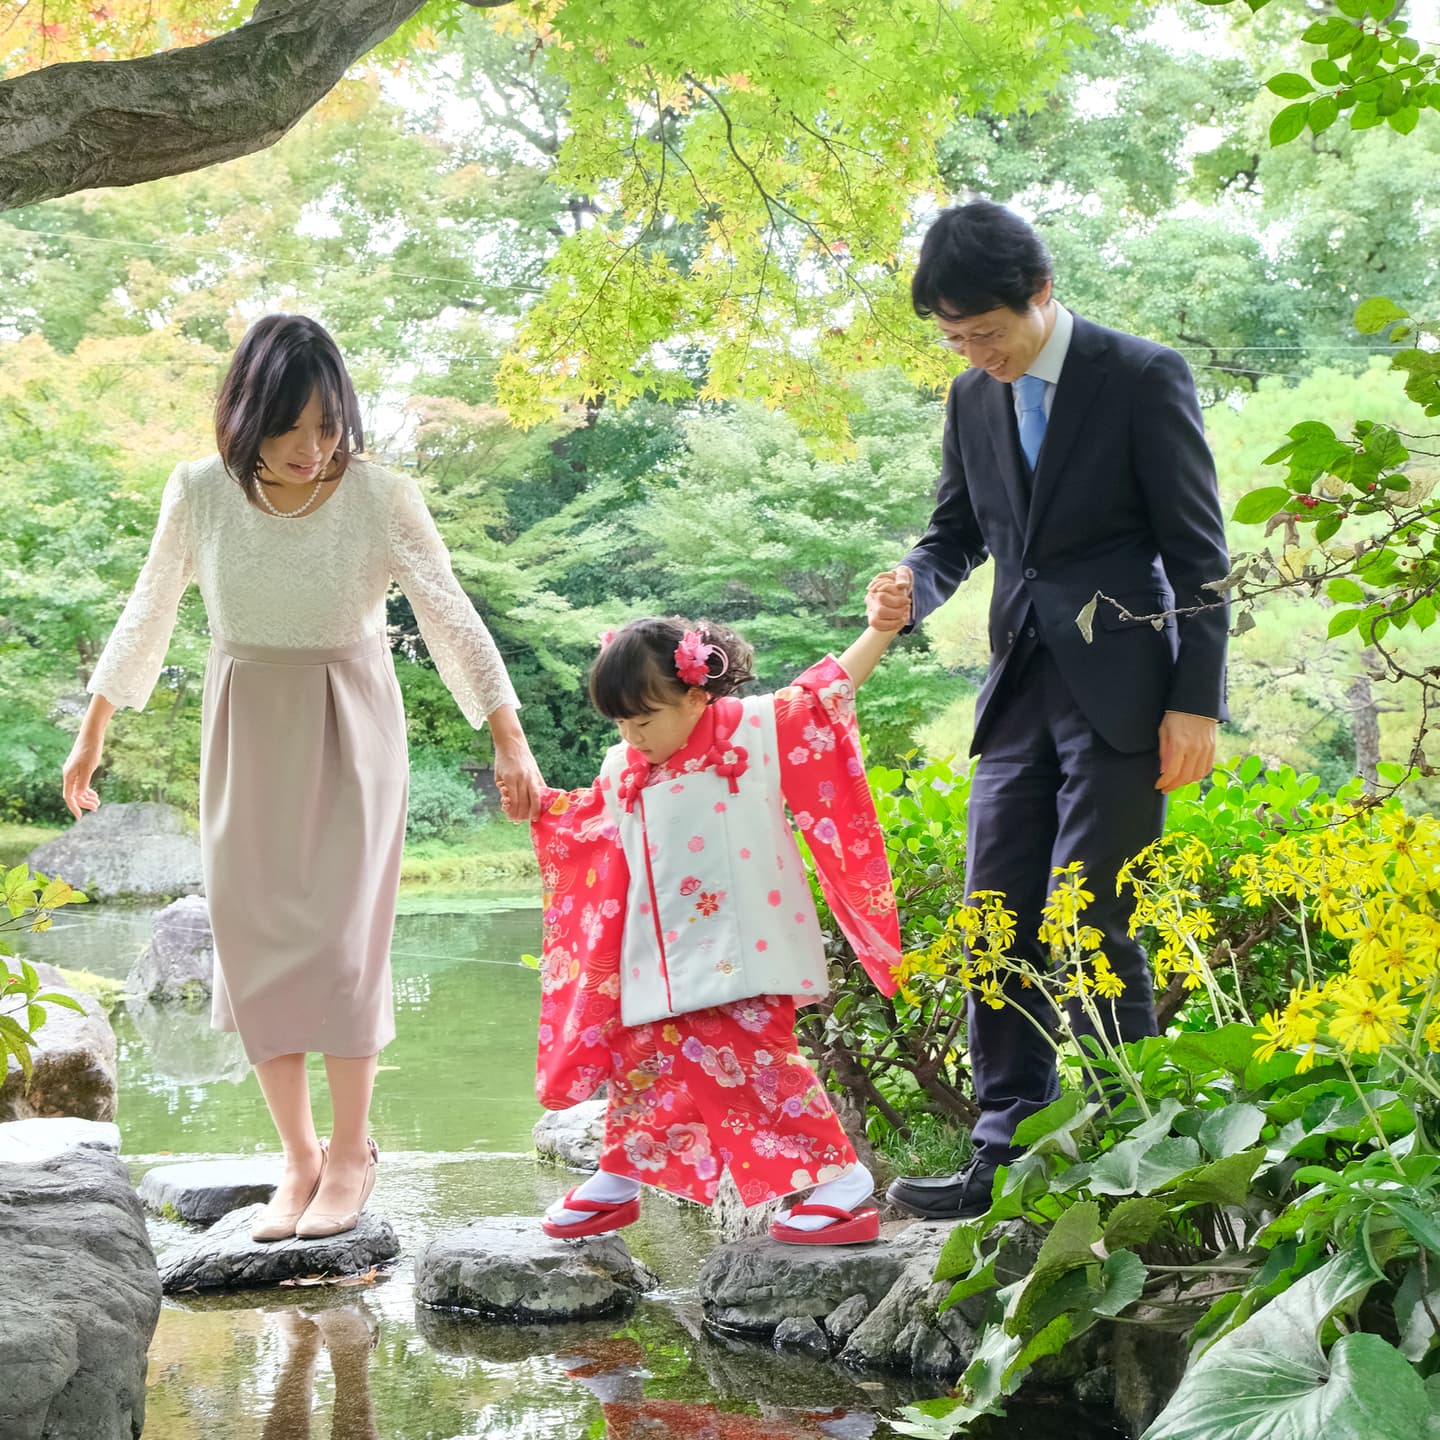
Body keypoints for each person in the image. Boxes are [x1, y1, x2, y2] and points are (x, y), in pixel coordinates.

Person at [63, 314, 543, 1241]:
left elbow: (449, 614)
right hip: (245, 724)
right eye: (290, 430)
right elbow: (149, 609)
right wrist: (96, 729)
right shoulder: (200, 492)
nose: (311, 450)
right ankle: (299, 1156)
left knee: (340, 944)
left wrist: (507, 735)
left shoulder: (379, 497)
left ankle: (356, 1150)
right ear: (246, 415)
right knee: (255, 942)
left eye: (329, 429)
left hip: (351, 723)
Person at [867, 201, 1230, 1220]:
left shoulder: (1140, 375)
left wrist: (1195, 701)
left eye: (986, 332)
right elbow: (955, 535)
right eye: (954, 339)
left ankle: (1132, 1153)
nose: (975, 354)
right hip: (1016, 690)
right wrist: (912, 585)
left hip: (1125, 693)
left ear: (1040, 295)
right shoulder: (972, 398)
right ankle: (1003, 1153)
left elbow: (1200, 558)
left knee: (1097, 921)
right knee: (996, 921)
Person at [522, 613, 906, 1243]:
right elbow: (593, 824)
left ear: (698, 695)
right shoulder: (624, 764)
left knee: (756, 1061)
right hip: (660, 954)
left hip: (745, 948)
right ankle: (620, 1176)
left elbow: (826, 689)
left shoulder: (755, 729)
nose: (631, 736)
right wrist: (539, 806)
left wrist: (881, 629)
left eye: (644, 720)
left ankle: (842, 1178)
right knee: (643, 1058)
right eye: (620, 722)